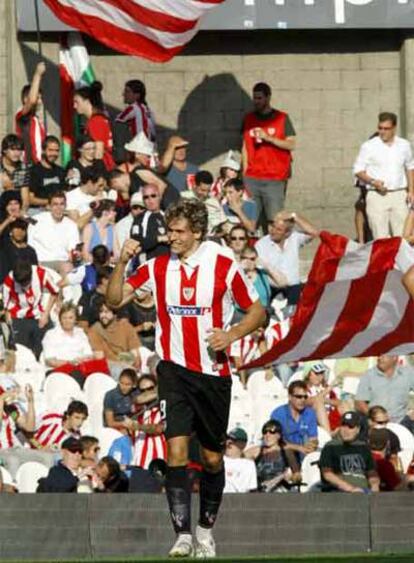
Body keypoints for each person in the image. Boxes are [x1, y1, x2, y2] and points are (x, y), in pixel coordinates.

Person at [107, 198, 265, 557]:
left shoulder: (222, 263)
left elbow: (257, 310)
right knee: (175, 451)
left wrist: (232, 334)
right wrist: (121, 262)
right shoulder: (157, 266)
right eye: (170, 230)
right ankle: (181, 534)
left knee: (211, 459)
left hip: (212, 372)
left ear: (197, 232)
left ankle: (205, 530)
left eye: (179, 232)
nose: (171, 237)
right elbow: (115, 300)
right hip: (173, 370)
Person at [242, 82, 296, 229]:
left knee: (275, 220)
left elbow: (291, 144)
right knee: (250, 220)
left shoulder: (282, 118)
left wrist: (269, 138)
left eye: (259, 98)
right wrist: (244, 173)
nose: (256, 101)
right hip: (252, 177)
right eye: (254, 98)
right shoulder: (249, 119)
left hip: (275, 177)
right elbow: (245, 147)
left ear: (268, 98)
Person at [353, 111, 414, 238]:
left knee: (403, 238)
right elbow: (358, 170)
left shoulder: (404, 145)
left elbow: (410, 167)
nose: (382, 131)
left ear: (394, 128)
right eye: (380, 128)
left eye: (386, 128)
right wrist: (372, 181)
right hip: (377, 195)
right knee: (381, 238)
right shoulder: (369, 146)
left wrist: (411, 191)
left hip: (399, 194)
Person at [255, 210, 319, 305]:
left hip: (293, 287)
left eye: (279, 229)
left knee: (293, 315)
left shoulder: (294, 238)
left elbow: (314, 233)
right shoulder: (262, 244)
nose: (273, 231)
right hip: (272, 288)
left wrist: (295, 216)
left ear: (287, 233)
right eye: (273, 227)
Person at [2, 260, 59, 359]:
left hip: (39, 314)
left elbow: (55, 292)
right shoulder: (9, 280)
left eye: (26, 283)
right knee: (20, 353)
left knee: (43, 350)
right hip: (18, 316)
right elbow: (5, 304)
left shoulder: (42, 274)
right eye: (20, 284)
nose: (24, 286)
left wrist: (46, 314)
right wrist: (7, 316)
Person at [319, 411, 380, 493]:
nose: (346, 430)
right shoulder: (330, 446)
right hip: (338, 493)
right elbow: (327, 474)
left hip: (363, 492)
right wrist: (350, 489)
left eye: (350, 427)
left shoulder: (363, 447)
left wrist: (374, 485)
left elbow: (372, 472)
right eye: (344, 426)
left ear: (358, 429)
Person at [87, 299, 141, 380]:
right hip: (110, 366)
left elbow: (135, 356)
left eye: (107, 312)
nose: (103, 315)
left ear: (115, 314)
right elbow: (100, 358)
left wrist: (128, 360)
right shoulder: (95, 329)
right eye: (101, 312)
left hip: (128, 364)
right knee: (118, 370)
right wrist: (123, 360)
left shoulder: (126, 326)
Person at [28, 191, 80, 275]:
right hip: (41, 262)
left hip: (62, 262)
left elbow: (73, 249)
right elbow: (29, 245)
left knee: (68, 268)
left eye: (62, 204)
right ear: (49, 206)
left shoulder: (71, 225)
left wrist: (75, 255)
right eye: (55, 204)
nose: (59, 208)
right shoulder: (36, 221)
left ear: (65, 206)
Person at [244, 420, 301, 492]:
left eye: (272, 432)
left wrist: (292, 478)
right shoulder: (256, 451)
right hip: (259, 491)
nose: (267, 435)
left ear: (279, 435)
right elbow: (238, 458)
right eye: (265, 432)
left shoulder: (286, 452)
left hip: (280, 491)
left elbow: (297, 474)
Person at [355, 355, 414, 423]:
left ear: (394, 357)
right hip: (376, 421)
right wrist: (374, 416)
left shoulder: (408, 373)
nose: (379, 358)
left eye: (383, 356)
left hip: (402, 420)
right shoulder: (369, 375)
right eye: (379, 356)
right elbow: (359, 402)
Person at [270, 381, 318, 460]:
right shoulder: (278, 414)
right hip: (283, 454)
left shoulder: (310, 413)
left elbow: (313, 438)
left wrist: (312, 445)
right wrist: (298, 448)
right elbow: (275, 442)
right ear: (289, 397)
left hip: (305, 453)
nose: (302, 400)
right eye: (299, 397)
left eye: (305, 397)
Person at [73, 81, 114, 171]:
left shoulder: (95, 121)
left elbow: (99, 151)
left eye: (77, 102)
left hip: (104, 168)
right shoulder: (99, 118)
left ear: (87, 101)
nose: (74, 106)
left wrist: (97, 174)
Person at [42, 302, 95, 370]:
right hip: (59, 370)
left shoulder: (81, 333)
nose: (67, 321)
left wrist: (81, 361)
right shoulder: (51, 334)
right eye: (64, 317)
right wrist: (70, 363)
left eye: (70, 318)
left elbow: (89, 355)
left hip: (80, 368)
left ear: (75, 319)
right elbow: (50, 361)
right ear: (60, 319)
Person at [132, 374, 167, 469]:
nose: (146, 393)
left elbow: (158, 429)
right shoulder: (139, 410)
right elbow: (137, 399)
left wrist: (138, 426)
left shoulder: (164, 408)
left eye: (150, 388)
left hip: (158, 462)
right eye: (143, 390)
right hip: (139, 462)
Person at [15, 61, 46, 165]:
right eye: (38, 98)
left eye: (41, 98)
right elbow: (31, 101)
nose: (40, 101)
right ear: (25, 99)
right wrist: (37, 75)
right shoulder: (21, 115)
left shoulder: (36, 119)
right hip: (27, 165)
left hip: (39, 166)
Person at [130, 184, 169, 262]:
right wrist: (159, 238)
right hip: (149, 264)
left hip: (169, 263)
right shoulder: (140, 219)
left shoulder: (167, 216)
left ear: (160, 196)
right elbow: (136, 242)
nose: (150, 200)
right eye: (146, 197)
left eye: (153, 196)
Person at [181, 170, 227, 234]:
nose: (205, 194)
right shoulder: (183, 198)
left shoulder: (214, 202)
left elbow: (224, 227)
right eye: (202, 190)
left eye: (208, 191)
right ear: (194, 185)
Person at [115, 79, 156, 148]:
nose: (123, 94)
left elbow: (117, 122)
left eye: (127, 91)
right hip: (151, 148)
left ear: (137, 95)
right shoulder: (148, 110)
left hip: (139, 149)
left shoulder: (133, 108)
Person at [29, 136, 65, 211]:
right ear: (43, 151)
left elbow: (64, 194)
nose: (54, 154)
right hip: (38, 210)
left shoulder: (60, 171)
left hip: (58, 209)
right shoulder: (34, 171)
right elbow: (30, 199)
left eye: (56, 151)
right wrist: (50, 203)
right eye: (50, 150)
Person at [303, 362, 341, 433]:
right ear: (308, 374)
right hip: (312, 419)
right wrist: (329, 389)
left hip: (330, 416)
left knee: (346, 403)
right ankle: (328, 435)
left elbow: (339, 402)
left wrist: (325, 399)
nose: (319, 377)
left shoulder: (325, 388)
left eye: (321, 373)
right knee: (319, 403)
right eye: (316, 373)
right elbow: (307, 402)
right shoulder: (303, 388)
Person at [66, 166, 106, 230]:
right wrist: (95, 209)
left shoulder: (103, 194)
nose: (101, 189)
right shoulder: (71, 197)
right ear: (89, 183)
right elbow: (76, 226)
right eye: (99, 186)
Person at [0, 218, 38, 285]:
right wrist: (8, 220)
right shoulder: (4, 244)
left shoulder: (31, 251)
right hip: (4, 286)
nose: (19, 232)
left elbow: (35, 272)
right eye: (17, 228)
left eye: (23, 229)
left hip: (22, 289)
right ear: (11, 231)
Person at [0, 382, 35, 449]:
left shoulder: (9, 410)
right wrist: (2, 398)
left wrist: (30, 401)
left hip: (13, 453)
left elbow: (29, 427)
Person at [103, 368, 139, 434]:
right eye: (121, 383)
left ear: (134, 384)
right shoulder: (110, 395)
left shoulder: (136, 393)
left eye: (128, 384)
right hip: (116, 428)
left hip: (133, 425)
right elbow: (110, 422)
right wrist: (124, 424)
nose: (124, 387)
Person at [223, 427, 258, 493]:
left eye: (231, 442)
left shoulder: (249, 465)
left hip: (240, 500)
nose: (227, 443)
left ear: (243, 444)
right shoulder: (219, 461)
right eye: (226, 440)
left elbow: (252, 490)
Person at [0, 134, 30, 211]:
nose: (17, 153)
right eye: (13, 149)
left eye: (19, 150)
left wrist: (22, 213)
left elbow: (25, 200)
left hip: (15, 209)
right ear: (4, 150)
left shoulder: (23, 168)